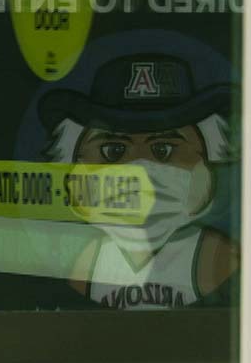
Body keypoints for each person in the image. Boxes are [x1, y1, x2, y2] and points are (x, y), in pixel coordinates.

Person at [39, 52, 239, 309]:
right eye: (113, 151)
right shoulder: (82, 265)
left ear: (207, 160)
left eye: (164, 150)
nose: (140, 169)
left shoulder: (216, 260)